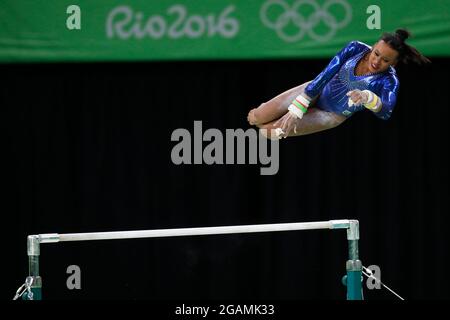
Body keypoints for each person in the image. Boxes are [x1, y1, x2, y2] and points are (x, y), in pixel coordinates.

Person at [247, 29, 430, 139]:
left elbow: (386, 112)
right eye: (376, 53)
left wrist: (368, 97)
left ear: (393, 63)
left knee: (267, 133)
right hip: (316, 90)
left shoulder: (389, 81)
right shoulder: (355, 48)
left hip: (332, 114)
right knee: (256, 117)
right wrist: (297, 108)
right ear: (373, 46)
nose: (377, 61)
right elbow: (326, 74)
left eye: (385, 60)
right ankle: (261, 112)